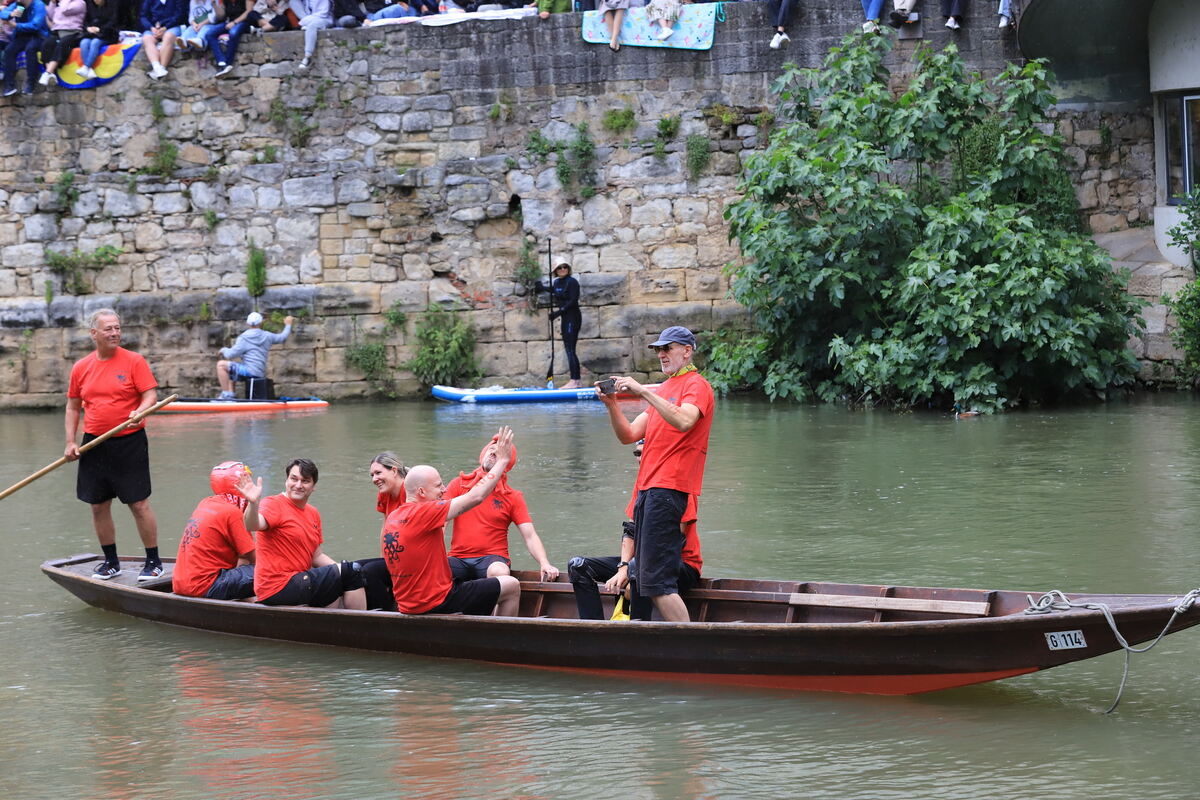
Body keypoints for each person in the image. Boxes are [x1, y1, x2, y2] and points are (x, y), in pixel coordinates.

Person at [597, 325, 714, 622]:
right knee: (649, 580)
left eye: (667, 348)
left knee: (657, 583)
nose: (661, 354)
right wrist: (612, 405)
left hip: (669, 489)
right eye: (658, 350)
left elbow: (686, 420)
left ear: (686, 351)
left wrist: (641, 392)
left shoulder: (696, 384)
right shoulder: (665, 389)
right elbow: (629, 435)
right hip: (648, 489)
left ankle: (689, 648)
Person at [64, 308, 163, 581]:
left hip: (128, 441)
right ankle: (111, 562)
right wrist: (71, 442)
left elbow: (150, 395)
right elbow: (73, 407)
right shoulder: (81, 367)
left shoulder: (134, 361)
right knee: (98, 505)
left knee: (138, 503)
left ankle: (153, 561)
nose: (115, 333)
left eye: (117, 328)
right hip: (93, 443)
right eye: (108, 328)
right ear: (93, 333)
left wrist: (140, 411)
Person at [382, 427, 522, 616]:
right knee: (511, 585)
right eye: (439, 485)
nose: (444, 489)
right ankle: (502, 640)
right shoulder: (425, 512)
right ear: (422, 492)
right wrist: (503, 460)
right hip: (437, 602)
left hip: (408, 604)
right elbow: (476, 496)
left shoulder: (394, 516)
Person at [239, 458, 367, 609]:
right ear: (286, 481)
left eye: (305, 481)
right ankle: (358, 626)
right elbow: (252, 524)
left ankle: (332, 627)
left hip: (300, 581)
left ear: (313, 486)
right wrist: (253, 503)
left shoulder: (313, 513)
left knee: (355, 572)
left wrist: (341, 569)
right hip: (276, 586)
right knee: (351, 571)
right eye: (294, 479)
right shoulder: (273, 504)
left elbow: (316, 556)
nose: (298, 485)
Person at [445, 433, 559, 583]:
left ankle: (495, 605)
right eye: (491, 449)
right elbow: (440, 522)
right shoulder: (458, 484)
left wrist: (544, 563)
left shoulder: (513, 497)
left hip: (493, 559)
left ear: (506, 462)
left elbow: (530, 536)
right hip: (458, 557)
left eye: (498, 453)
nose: (493, 452)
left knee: (500, 572)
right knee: (435, 568)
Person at [173, 461, 257, 600]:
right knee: (271, 571)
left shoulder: (206, 502)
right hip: (205, 586)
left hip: (181, 584)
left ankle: (248, 601)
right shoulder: (232, 513)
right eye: (248, 480)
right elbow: (256, 559)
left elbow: (244, 555)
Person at [216, 311, 293, 399]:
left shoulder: (244, 338)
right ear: (261, 323)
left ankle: (226, 395)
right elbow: (282, 337)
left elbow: (230, 354)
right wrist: (288, 324)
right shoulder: (267, 336)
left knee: (221, 365)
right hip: (259, 372)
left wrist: (223, 350)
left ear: (248, 323)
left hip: (249, 371)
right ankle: (231, 396)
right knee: (231, 370)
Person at [535, 259, 582, 390]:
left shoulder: (572, 282)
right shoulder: (556, 282)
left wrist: (558, 312)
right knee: (568, 348)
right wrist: (543, 288)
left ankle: (575, 381)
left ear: (568, 268)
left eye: (565, 267)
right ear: (555, 271)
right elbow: (556, 290)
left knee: (571, 349)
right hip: (565, 318)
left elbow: (573, 300)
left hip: (573, 318)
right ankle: (575, 380)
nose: (562, 269)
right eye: (559, 268)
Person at [1, 0, 48, 96]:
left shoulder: (38, 5)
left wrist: (15, 25)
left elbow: (36, 25)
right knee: (9, 50)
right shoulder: (18, 5)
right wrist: (11, 14)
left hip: (38, 36)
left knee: (30, 49)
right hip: (22, 36)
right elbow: (3, 14)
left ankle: (30, 84)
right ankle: (9, 86)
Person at [36, 0, 86, 87]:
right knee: (46, 44)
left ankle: (48, 72)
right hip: (57, 31)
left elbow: (65, 10)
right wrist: (53, 3)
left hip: (73, 32)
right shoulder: (60, 4)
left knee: (63, 44)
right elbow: (51, 16)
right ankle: (51, 74)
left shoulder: (80, 3)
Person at [139, 0, 187, 79]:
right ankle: (157, 67)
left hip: (172, 26)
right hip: (153, 28)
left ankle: (162, 68)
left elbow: (180, 14)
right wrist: (152, 28)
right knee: (147, 38)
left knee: (168, 37)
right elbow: (143, 16)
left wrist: (165, 27)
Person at [77, 0, 120, 79]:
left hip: (108, 34)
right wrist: (88, 28)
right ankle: (89, 71)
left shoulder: (112, 6)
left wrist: (100, 29)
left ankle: (86, 67)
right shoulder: (90, 6)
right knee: (84, 42)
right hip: (92, 34)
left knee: (95, 43)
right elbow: (85, 21)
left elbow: (113, 22)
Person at [291, 0, 331, 70]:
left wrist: (305, 21)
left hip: (323, 19)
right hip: (308, 19)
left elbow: (323, 13)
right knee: (293, 1)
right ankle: (307, 23)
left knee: (312, 26)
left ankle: (307, 56)